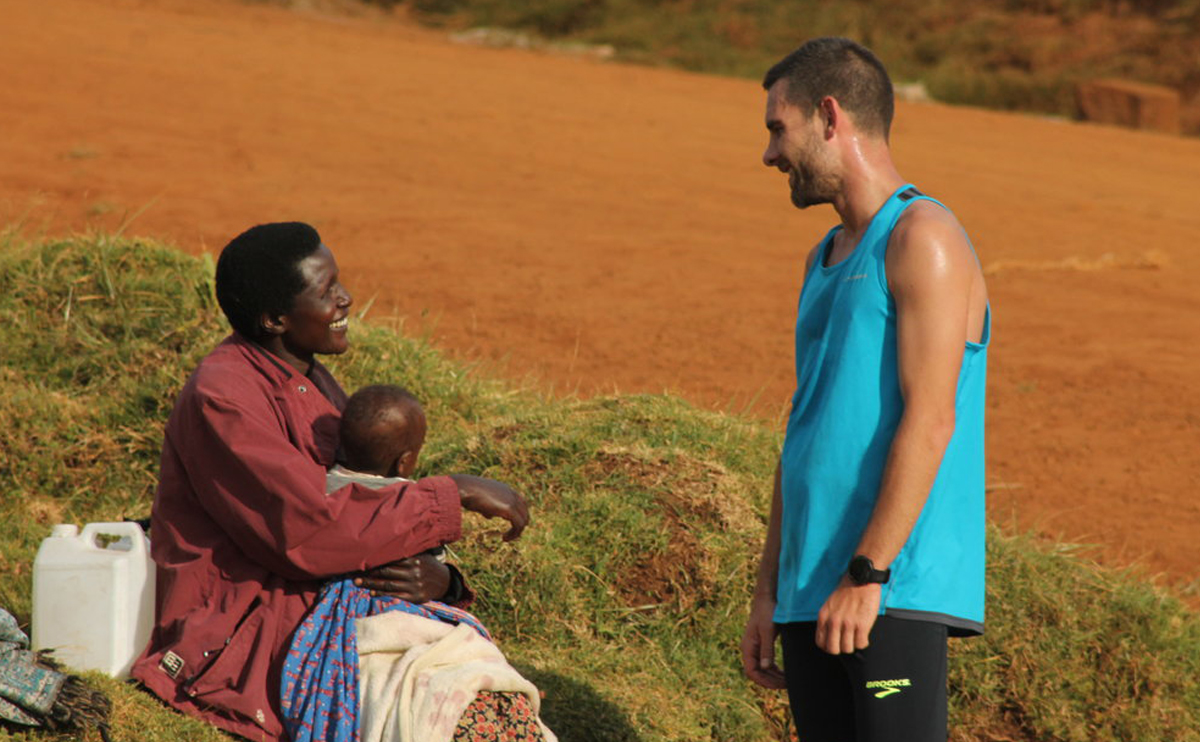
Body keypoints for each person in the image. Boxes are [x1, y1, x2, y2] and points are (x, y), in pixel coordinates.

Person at [131, 222, 533, 742]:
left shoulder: (306, 375)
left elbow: (357, 509)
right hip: (251, 631)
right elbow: (307, 534)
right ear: (275, 318)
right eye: (327, 291)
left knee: (496, 703)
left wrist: (441, 584)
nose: (346, 299)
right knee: (457, 716)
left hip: (323, 602)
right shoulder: (223, 397)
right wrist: (451, 493)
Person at [739, 38, 990, 742]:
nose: (768, 154)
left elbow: (932, 417)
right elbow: (806, 431)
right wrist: (769, 592)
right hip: (812, 592)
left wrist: (869, 571)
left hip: (886, 590)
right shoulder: (823, 257)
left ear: (829, 116)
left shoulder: (922, 236)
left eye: (776, 128)